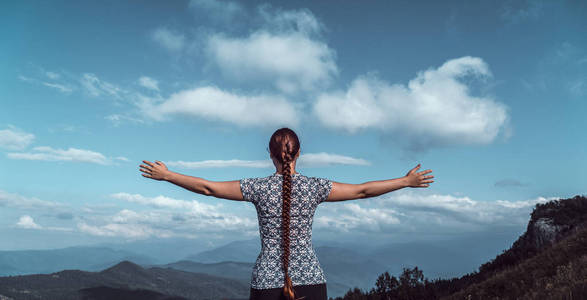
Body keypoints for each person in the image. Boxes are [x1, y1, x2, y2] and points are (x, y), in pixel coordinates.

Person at [139, 128, 434, 300]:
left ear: (270, 155)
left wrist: (167, 175)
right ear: (299, 153)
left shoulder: (257, 188)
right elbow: (362, 191)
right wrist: (405, 182)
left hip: (266, 280)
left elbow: (208, 188)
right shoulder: (316, 188)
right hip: (311, 280)